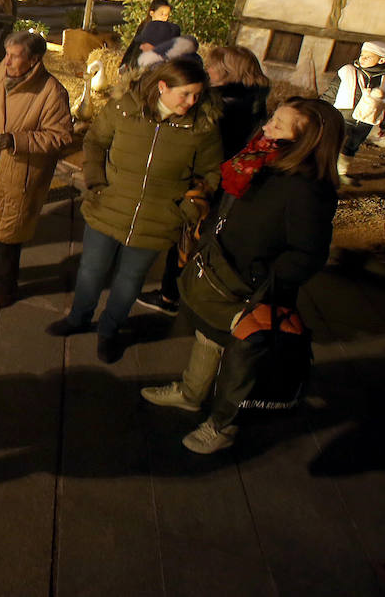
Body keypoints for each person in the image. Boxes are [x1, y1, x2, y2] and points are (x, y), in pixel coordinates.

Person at [141, 98, 341, 454]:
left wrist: (262, 283)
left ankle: (223, 424)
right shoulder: (259, 161)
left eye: (278, 125)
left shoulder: (308, 189)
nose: (266, 128)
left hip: (252, 289)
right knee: (208, 334)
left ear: (307, 139)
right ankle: (191, 393)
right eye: (271, 120)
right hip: (221, 269)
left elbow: (308, 253)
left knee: (241, 360)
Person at [49, 58, 222, 363]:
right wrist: (96, 182)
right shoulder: (124, 109)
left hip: (158, 220)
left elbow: (211, 174)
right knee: (91, 271)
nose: (192, 102)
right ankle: (78, 318)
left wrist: (186, 210)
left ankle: (109, 330)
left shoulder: (201, 128)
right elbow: (96, 142)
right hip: (108, 206)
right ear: (162, 87)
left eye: (197, 95)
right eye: (185, 94)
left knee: (130, 280)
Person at [139, 43, 271, 316]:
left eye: (211, 66)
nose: (207, 70)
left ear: (226, 71)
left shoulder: (224, 105)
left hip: (209, 179)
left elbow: (202, 143)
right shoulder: (255, 99)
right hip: (232, 181)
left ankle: (169, 295)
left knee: (186, 235)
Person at [0, 31, 74, 308]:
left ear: (34, 60)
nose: (7, 61)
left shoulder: (51, 92)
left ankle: (5, 286)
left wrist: (18, 140)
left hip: (20, 174)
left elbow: (61, 136)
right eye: (6, 54)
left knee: (8, 238)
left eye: (15, 56)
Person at [321, 40, 385, 186]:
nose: (362, 58)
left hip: (366, 120)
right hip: (342, 115)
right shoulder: (348, 71)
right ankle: (321, 170)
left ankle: (341, 173)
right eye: (362, 55)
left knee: (351, 146)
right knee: (331, 142)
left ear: (382, 59)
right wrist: (320, 109)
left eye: (368, 57)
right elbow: (331, 92)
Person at [120, 0, 181, 69]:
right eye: (161, 14)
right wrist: (126, 63)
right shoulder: (144, 27)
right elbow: (134, 47)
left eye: (166, 15)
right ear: (152, 13)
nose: (164, 17)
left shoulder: (170, 30)